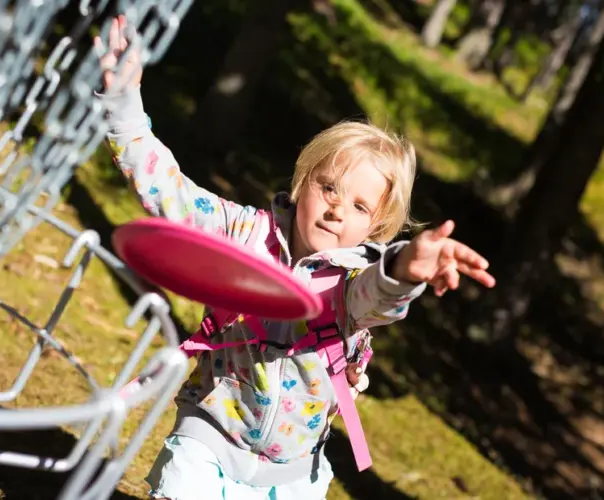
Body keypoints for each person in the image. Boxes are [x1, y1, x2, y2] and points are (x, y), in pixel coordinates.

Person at [96, 15, 496, 500]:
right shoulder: (244, 232)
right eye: (329, 188)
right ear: (303, 182)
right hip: (210, 436)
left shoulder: (353, 282)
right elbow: (170, 193)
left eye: (360, 207)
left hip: (294, 472)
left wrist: (403, 270)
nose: (337, 209)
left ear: (377, 227)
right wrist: (123, 107)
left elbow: (376, 295)